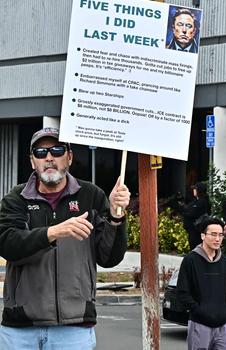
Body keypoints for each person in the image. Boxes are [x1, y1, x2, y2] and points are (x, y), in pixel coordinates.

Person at [0, 127, 130, 349]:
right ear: (32, 161)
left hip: (74, 328)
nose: (49, 158)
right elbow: (8, 245)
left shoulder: (91, 195)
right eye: (40, 153)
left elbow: (108, 258)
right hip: (20, 329)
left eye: (57, 150)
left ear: (69, 157)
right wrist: (53, 232)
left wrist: (116, 218)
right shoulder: (16, 198)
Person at [176, 216, 226, 350]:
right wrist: (199, 310)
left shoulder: (224, 262)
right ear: (203, 236)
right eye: (213, 234)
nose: (217, 239)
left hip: (222, 326)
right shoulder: (190, 260)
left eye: (221, 235)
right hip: (199, 324)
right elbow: (183, 292)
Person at [182, 182, 210, 249]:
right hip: (191, 229)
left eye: (195, 189)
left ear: (199, 190)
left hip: (196, 229)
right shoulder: (195, 201)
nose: (193, 190)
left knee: (196, 247)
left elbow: (193, 213)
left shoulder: (203, 201)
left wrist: (185, 213)